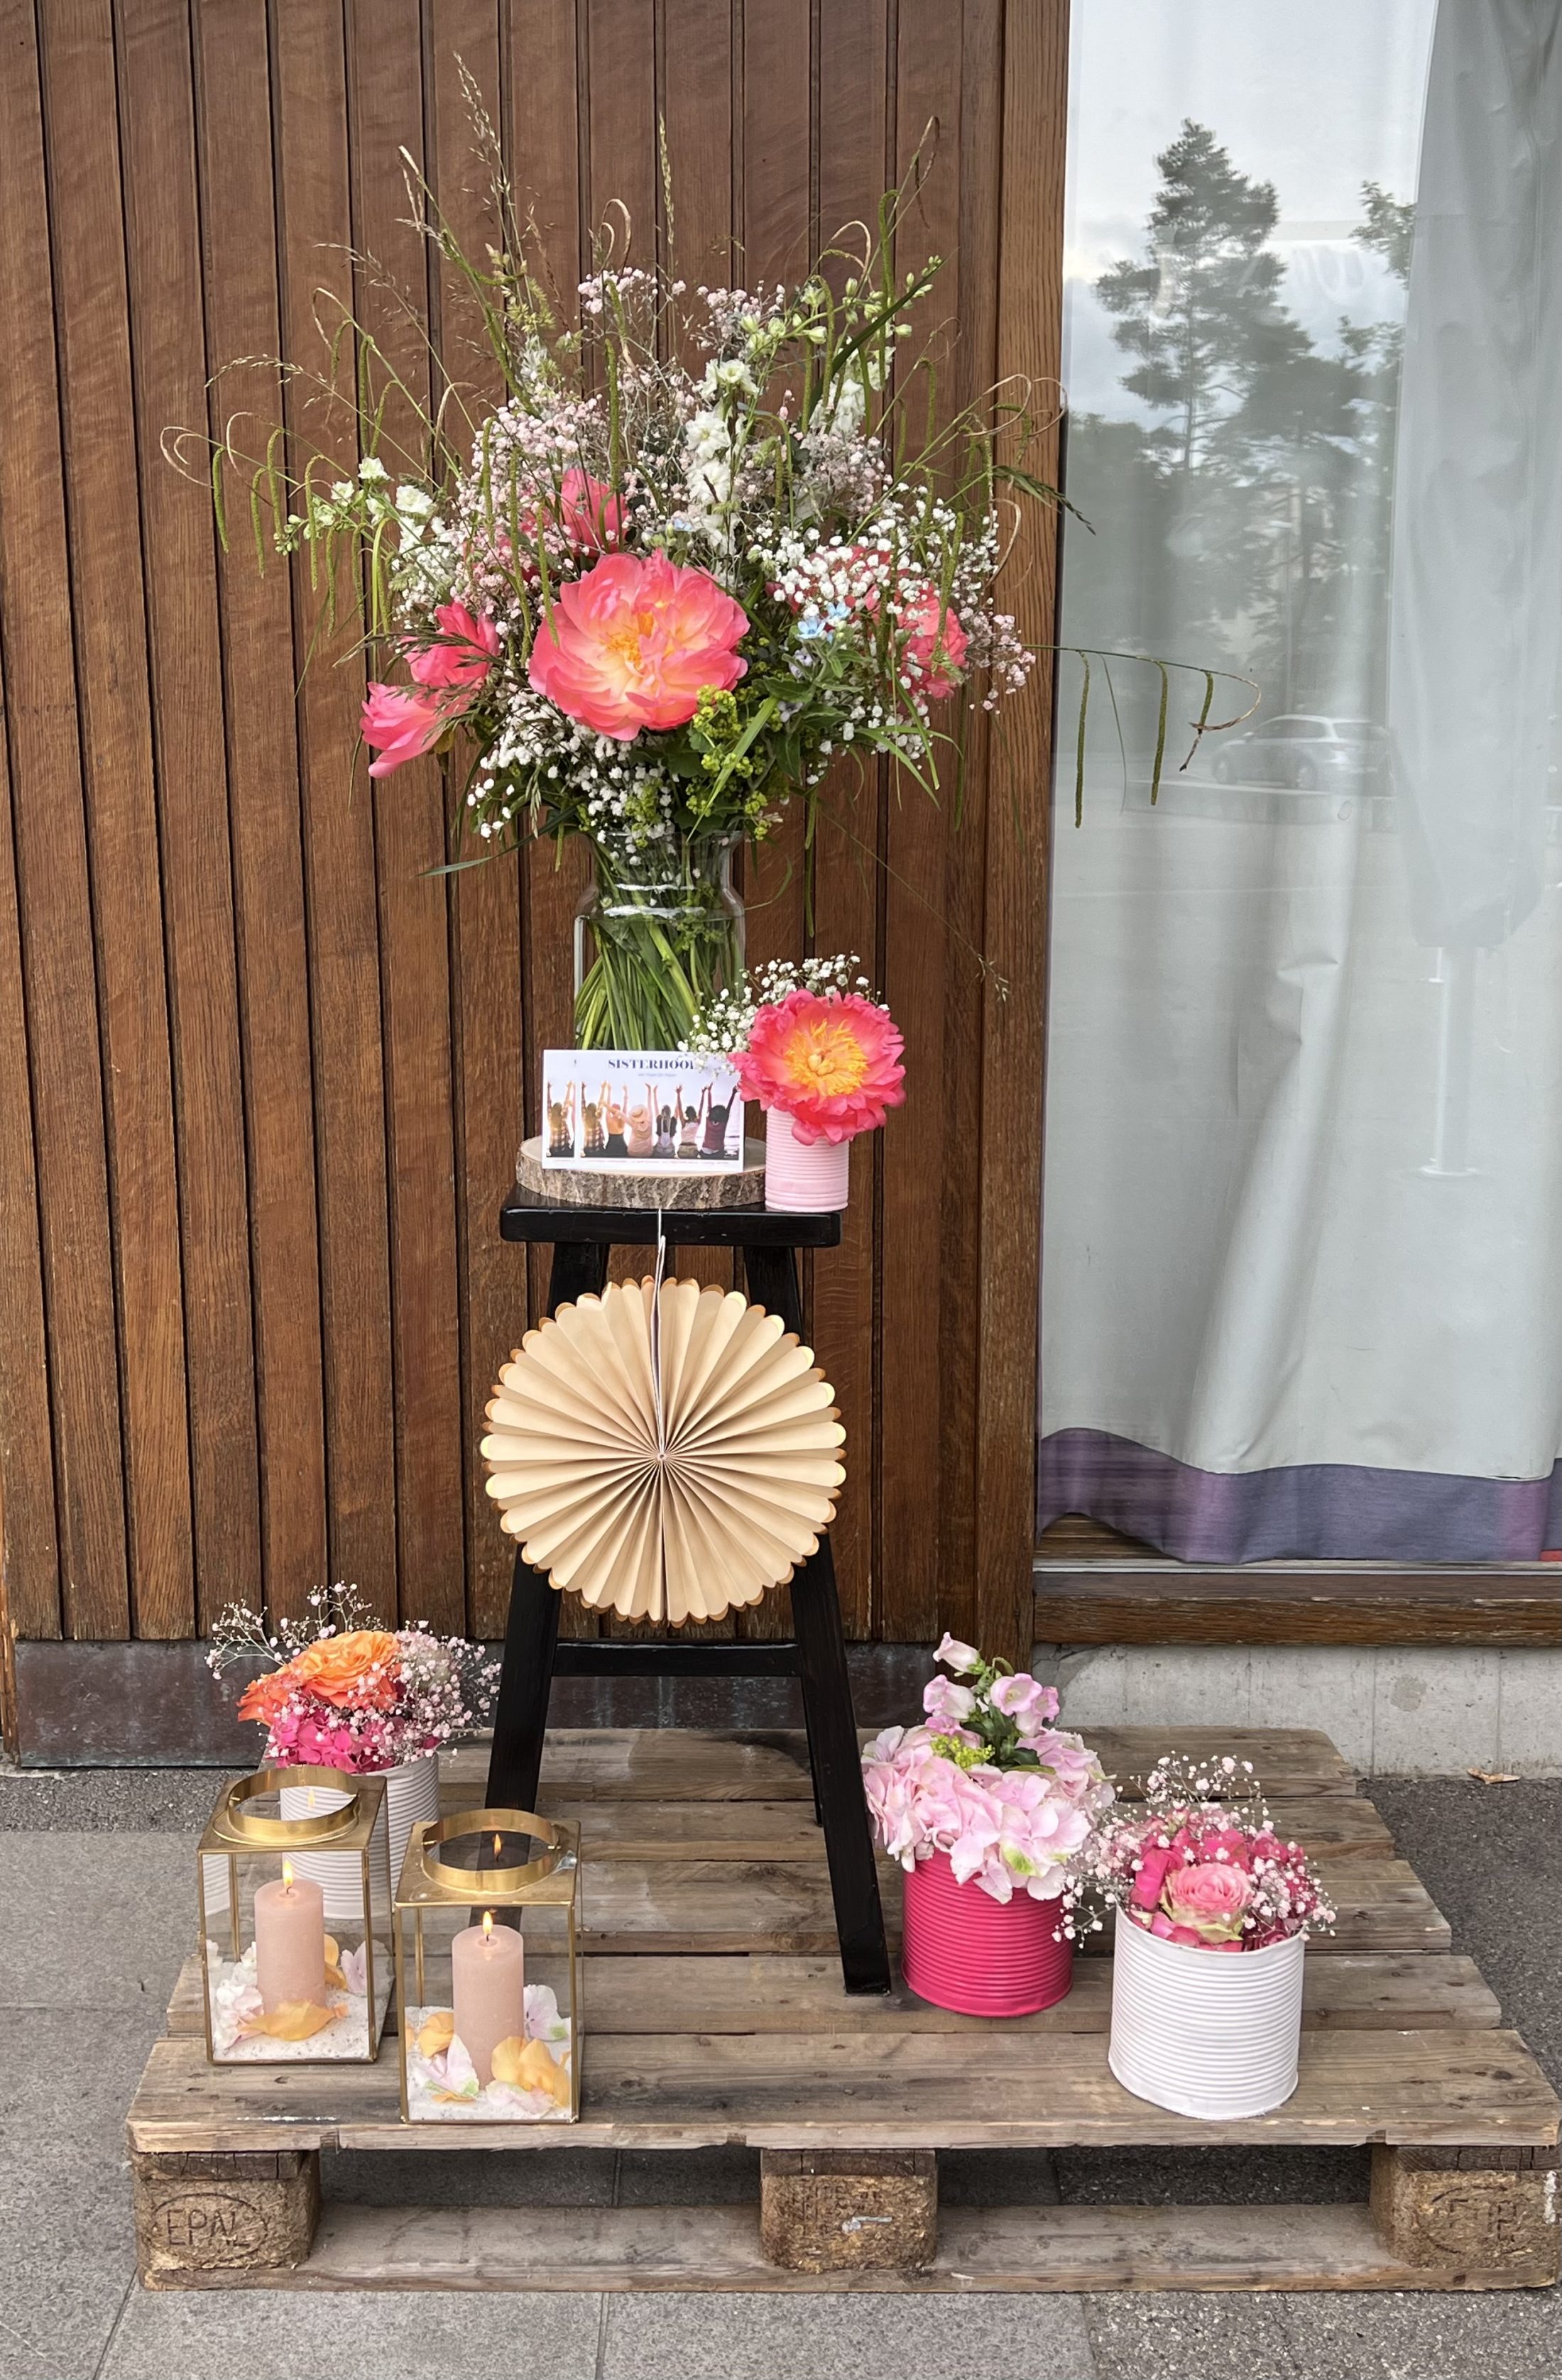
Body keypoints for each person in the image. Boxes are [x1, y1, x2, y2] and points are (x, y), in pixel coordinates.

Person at [545, 1080, 576, 1158]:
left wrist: (548, 1089)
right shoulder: (563, 1118)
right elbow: (566, 1102)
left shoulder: (551, 1118)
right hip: (564, 1150)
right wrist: (569, 1088)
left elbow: (548, 1102)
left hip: (554, 1151)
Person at [677, 1084, 706, 1158]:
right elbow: (701, 1108)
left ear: (686, 1114)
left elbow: (679, 1109)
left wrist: (678, 1094)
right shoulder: (697, 1123)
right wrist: (703, 1094)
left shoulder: (684, 1123)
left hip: (683, 1150)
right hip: (693, 1150)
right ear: (694, 1113)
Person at [626, 1086, 655, 1158]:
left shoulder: (633, 1124)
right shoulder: (649, 1121)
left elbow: (622, 1115)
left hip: (633, 1152)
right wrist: (649, 1091)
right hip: (647, 1153)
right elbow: (650, 1105)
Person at [581, 1082, 607, 1158]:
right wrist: (603, 1089)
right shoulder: (597, 1119)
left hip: (588, 1151)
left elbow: (582, 1103)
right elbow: (601, 1103)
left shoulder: (585, 1118)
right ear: (595, 1110)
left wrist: (582, 1090)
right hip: (598, 1150)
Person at [603, 1084, 628, 1159]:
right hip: (622, 1148)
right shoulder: (622, 1120)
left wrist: (609, 1091)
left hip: (611, 1148)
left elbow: (608, 1106)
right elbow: (625, 1106)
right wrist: (626, 1092)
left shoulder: (609, 1120)